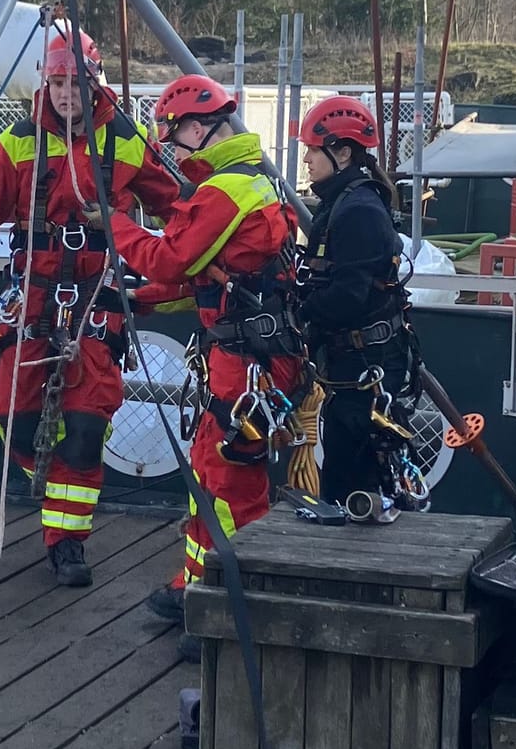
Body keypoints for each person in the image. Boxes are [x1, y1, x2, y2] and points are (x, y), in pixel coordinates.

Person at [0, 31, 180, 587]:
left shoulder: (127, 139)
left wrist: (211, 253)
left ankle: (67, 543)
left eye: (75, 82)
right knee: (16, 424)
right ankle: (54, 495)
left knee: (83, 429)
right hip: (31, 299)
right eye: (57, 83)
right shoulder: (17, 144)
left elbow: (178, 208)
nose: (66, 93)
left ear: (93, 82)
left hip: (98, 297)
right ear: (45, 83)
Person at [111, 75, 303, 654]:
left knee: (231, 484)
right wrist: (133, 298)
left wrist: (113, 223)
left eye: (174, 137)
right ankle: (196, 584)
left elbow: (170, 260)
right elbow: (199, 279)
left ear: (201, 129)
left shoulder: (226, 191)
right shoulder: (242, 185)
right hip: (241, 354)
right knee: (208, 475)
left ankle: (231, 608)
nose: (170, 149)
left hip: (250, 363)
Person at [292, 95, 416, 517]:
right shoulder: (345, 202)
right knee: (350, 474)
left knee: (348, 481)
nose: (307, 159)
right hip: (359, 360)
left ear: (342, 152)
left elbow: (347, 297)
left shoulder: (358, 210)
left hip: (366, 364)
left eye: (313, 149)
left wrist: (295, 311)